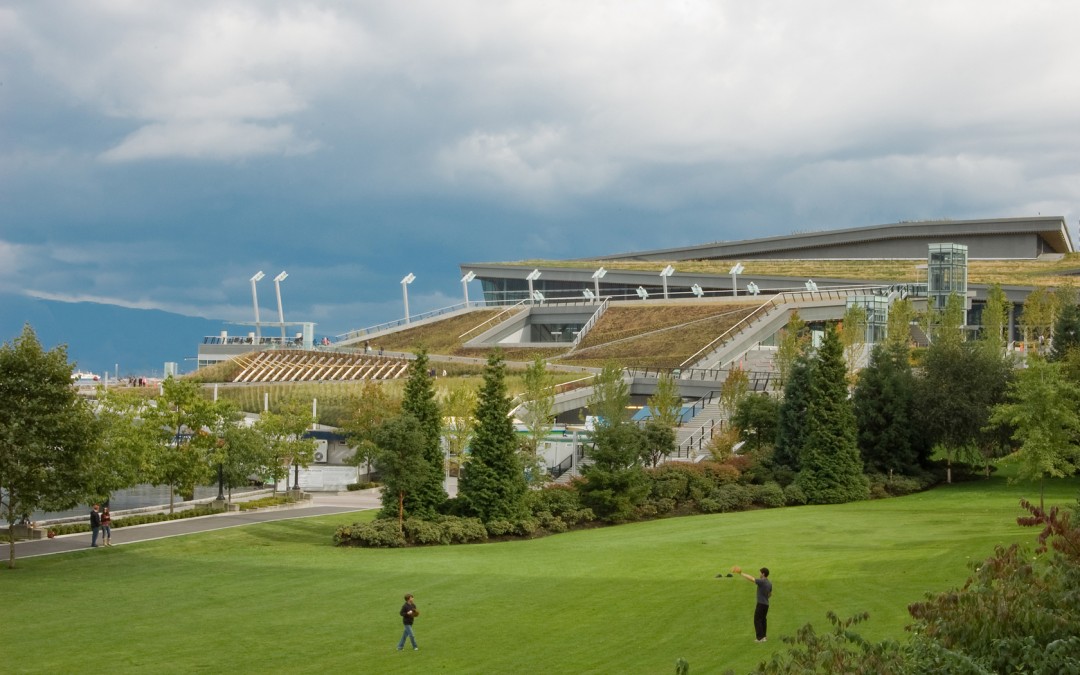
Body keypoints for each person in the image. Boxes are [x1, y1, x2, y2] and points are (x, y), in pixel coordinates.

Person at [738, 567, 772, 642]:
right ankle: (764, 637)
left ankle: (759, 638)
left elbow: (752, 579)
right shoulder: (769, 583)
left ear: (763, 574)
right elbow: (770, 594)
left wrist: (741, 573)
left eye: (760, 572)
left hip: (761, 603)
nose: (759, 574)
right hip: (766, 604)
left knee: (757, 620)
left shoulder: (762, 581)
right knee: (763, 620)